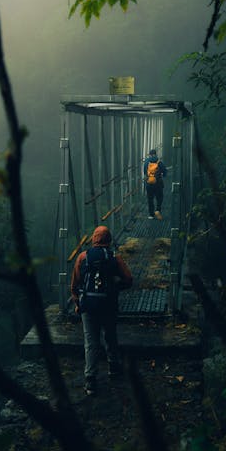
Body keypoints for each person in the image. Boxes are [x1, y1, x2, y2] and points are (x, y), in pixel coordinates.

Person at [70, 225, 133, 395]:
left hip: (88, 306)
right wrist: (116, 288)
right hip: (109, 304)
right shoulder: (114, 257)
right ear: (109, 240)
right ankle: (114, 367)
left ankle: (90, 380)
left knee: (91, 342)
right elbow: (129, 279)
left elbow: (75, 285)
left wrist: (78, 303)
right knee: (110, 334)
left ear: (93, 239)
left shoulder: (83, 257)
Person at [143, 148, 167, 219]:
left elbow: (145, 172)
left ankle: (151, 214)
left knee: (150, 199)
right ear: (155, 154)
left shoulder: (147, 162)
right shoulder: (159, 162)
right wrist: (162, 175)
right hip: (158, 183)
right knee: (159, 197)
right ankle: (158, 210)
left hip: (149, 183)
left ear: (149, 155)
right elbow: (165, 172)